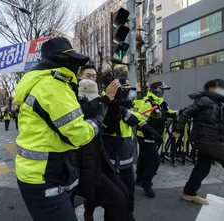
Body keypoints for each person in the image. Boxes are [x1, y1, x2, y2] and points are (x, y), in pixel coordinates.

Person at [13, 37, 105, 221]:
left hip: (36, 172)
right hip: (45, 177)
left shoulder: (37, 82)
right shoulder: (53, 85)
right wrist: (98, 120)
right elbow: (78, 134)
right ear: (61, 62)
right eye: (73, 62)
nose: (76, 67)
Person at [173, 79, 224, 212]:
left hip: (213, 140)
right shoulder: (204, 100)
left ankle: (189, 193)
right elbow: (186, 114)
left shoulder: (222, 103)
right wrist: (178, 130)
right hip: (208, 140)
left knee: (202, 167)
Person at [103, 77, 158, 221]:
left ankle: (129, 214)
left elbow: (136, 116)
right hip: (111, 158)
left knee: (129, 190)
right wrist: (116, 107)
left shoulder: (124, 104)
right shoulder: (104, 104)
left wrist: (148, 128)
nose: (128, 92)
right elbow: (108, 127)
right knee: (113, 196)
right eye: (125, 88)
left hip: (126, 156)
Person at [77, 79, 132, 221]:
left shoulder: (102, 102)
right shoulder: (80, 102)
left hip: (100, 159)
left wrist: (114, 104)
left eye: (94, 75)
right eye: (88, 74)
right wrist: (107, 100)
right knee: (115, 199)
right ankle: (88, 212)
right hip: (84, 164)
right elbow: (87, 113)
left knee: (124, 192)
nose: (91, 77)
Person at [134, 81, 177, 198]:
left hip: (156, 135)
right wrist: (151, 132)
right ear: (153, 90)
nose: (163, 92)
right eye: (161, 89)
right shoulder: (147, 103)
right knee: (154, 161)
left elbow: (168, 112)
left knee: (143, 158)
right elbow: (139, 120)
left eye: (164, 90)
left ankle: (139, 179)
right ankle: (146, 183)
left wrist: (178, 113)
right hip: (145, 136)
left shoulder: (162, 103)